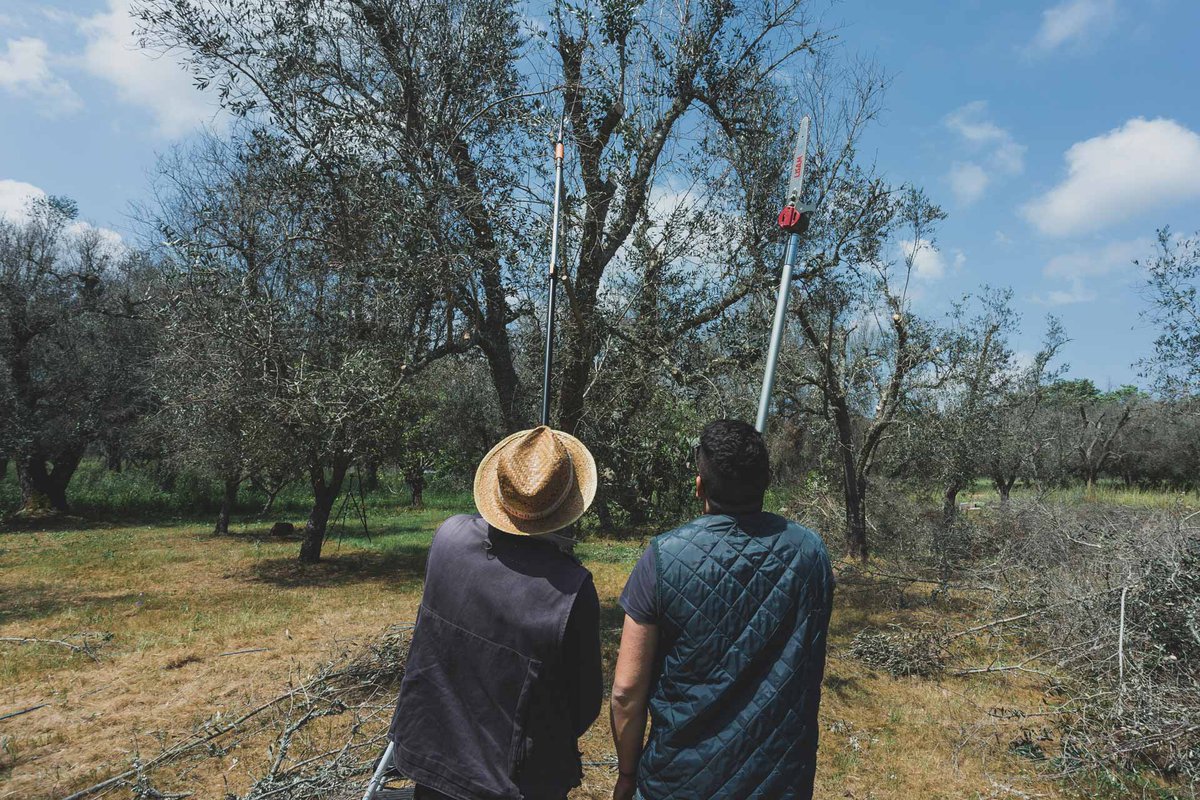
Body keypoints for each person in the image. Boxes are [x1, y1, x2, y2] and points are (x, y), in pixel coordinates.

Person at [610, 419, 835, 800]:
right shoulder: (811, 553)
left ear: (699, 486)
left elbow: (626, 692)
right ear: (766, 482)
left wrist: (628, 773)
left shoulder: (663, 559)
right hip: (779, 781)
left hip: (679, 782)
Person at [387, 426, 603, 800]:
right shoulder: (570, 589)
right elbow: (583, 705)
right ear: (569, 506)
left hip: (435, 761)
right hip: (514, 782)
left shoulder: (448, 538)